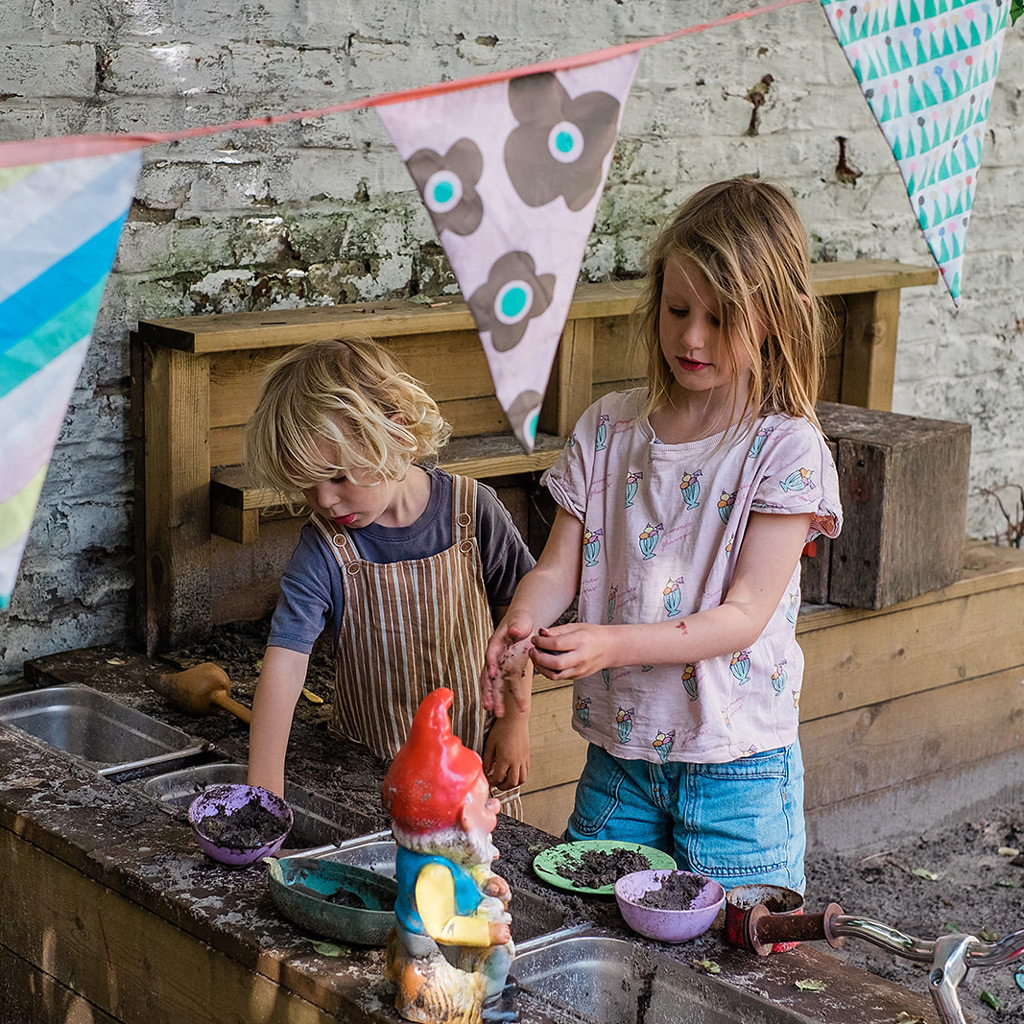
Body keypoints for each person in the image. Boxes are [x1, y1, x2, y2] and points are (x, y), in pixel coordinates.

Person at [480, 176, 843, 893]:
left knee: (736, 970)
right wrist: (523, 619)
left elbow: (743, 617)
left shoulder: (785, 449)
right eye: (678, 310)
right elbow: (559, 568)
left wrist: (607, 643)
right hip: (621, 756)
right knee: (589, 931)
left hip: (738, 768)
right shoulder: (609, 429)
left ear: (778, 318)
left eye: (721, 317)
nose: (692, 337)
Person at [244, 337, 535, 817]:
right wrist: (264, 793)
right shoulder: (325, 547)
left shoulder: (472, 512)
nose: (326, 501)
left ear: (395, 435)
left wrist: (515, 722)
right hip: (372, 777)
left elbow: (518, 623)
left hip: (473, 771)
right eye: (307, 484)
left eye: (338, 477)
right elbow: (284, 665)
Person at [382, 686, 515, 1024]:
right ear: (463, 821)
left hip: (448, 928)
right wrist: (488, 934)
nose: (496, 807)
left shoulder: (445, 853)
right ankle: (491, 1003)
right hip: (433, 947)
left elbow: (470, 867)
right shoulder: (434, 874)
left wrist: (487, 879)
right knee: (500, 953)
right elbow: (443, 926)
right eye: (486, 803)